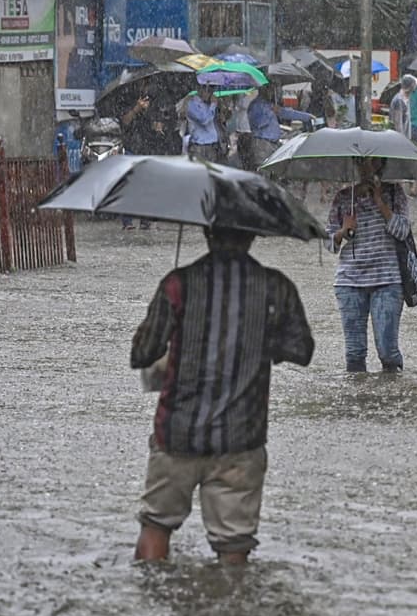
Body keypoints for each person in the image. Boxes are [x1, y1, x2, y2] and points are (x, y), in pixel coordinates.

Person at [129, 226, 314, 565]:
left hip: (177, 433)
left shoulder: (178, 284)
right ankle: (230, 598)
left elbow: (142, 353)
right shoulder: (276, 287)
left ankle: (149, 597)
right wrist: (257, 341)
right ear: (253, 235)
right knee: (234, 545)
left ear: (207, 232)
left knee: (156, 525)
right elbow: (302, 350)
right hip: (241, 439)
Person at [326, 158, 412, 372]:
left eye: (374, 162)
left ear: (381, 164)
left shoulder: (395, 193)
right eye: (363, 162)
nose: (368, 167)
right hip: (349, 282)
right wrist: (343, 231)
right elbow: (328, 243)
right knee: (354, 354)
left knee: (388, 351)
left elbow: (403, 232)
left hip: (388, 280)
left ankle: (393, 390)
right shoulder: (344, 197)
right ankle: (359, 392)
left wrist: (380, 202)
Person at [118, 83, 171, 229]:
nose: (146, 88)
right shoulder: (127, 99)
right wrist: (137, 108)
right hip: (131, 148)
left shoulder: (153, 104)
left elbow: (156, 124)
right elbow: (125, 121)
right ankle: (127, 221)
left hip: (148, 148)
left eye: (148, 84)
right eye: (144, 84)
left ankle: (145, 219)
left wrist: (158, 127)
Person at [248, 84, 314, 167]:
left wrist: (306, 117)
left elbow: (285, 113)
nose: (273, 93)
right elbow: (258, 124)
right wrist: (270, 112)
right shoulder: (256, 105)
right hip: (262, 143)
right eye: (271, 90)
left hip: (273, 143)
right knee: (263, 168)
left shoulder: (268, 104)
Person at [184, 85, 224, 163]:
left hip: (212, 146)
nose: (210, 94)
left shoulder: (208, 104)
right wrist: (213, 105)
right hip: (199, 146)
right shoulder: (192, 103)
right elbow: (204, 120)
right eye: (208, 91)